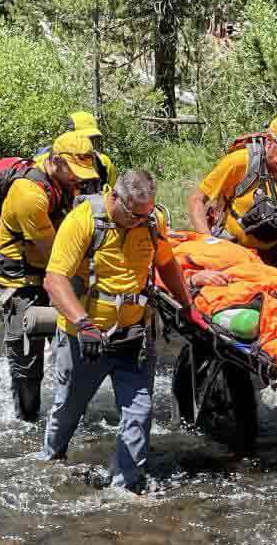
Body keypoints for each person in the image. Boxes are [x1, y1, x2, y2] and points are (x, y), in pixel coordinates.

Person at [42, 169, 191, 495]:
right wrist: (84, 324)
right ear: (115, 198)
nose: (140, 221)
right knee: (68, 409)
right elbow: (54, 280)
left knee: (140, 413)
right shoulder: (82, 221)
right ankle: (52, 461)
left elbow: (166, 264)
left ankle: (125, 489)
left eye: (146, 214)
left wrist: (187, 306)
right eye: (134, 214)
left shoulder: (152, 222)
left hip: (134, 338)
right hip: (84, 338)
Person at [0, 131, 99, 421]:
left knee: (76, 343)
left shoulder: (62, 179)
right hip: (20, 285)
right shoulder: (29, 195)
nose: (78, 179)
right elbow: (56, 254)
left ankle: (66, 413)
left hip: (48, 273)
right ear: (54, 160)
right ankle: (26, 422)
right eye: (73, 172)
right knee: (28, 365)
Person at [186, 114, 277, 289]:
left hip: (269, 257)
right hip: (231, 252)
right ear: (269, 141)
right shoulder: (239, 162)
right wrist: (208, 244)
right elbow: (196, 200)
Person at [36, 111, 116, 194]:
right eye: (83, 137)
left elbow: (111, 197)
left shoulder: (104, 163)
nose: (88, 143)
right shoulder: (44, 162)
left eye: (93, 138)